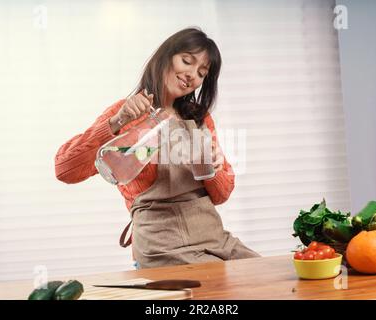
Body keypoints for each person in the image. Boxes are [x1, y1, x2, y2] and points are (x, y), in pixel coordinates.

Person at [54, 27, 260, 269]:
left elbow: (222, 195)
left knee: (267, 278)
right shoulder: (125, 113)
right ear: (166, 56)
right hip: (162, 247)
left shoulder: (199, 118)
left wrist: (214, 169)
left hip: (214, 238)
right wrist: (116, 122)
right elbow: (64, 169)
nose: (192, 74)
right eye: (187, 61)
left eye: (202, 73)